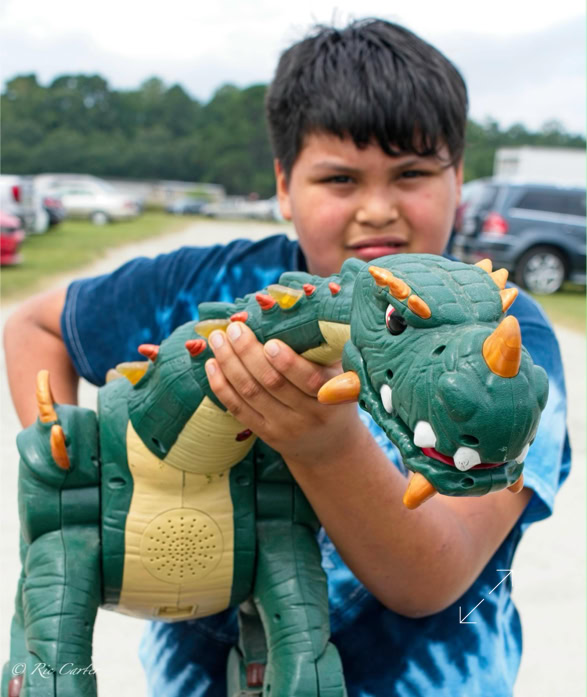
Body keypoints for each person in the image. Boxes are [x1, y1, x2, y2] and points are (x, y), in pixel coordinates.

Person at [4, 18, 570, 697]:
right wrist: (74, 478)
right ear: (283, 183)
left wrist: (322, 446)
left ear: (459, 178)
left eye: (412, 173)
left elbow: (431, 579)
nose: (377, 209)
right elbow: (34, 326)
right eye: (340, 178)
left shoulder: (507, 331)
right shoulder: (199, 285)